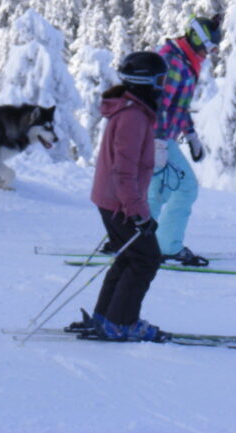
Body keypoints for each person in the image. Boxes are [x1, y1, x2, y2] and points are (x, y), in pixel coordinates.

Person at [86, 51, 169, 342]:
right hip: (120, 202)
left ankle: (106, 317)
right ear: (145, 81)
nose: (163, 87)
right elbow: (123, 171)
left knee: (128, 257)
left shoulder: (134, 111)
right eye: (160, 80)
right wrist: (138, 213)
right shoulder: (133, 117)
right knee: (146, 259)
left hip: (113, 200)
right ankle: (120, 322)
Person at [147, 13, 222, 267]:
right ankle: (166, 246)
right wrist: (159, 142)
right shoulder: (173, 62)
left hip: (162, 136)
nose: (208, 54)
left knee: (159, 190)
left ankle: (139, 242)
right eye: (207, 47)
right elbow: (159, 105)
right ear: (195, 39)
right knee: (185, 187)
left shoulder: (185, 61)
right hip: (156, 138)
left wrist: (190, 134)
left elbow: (178, 106)